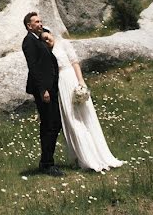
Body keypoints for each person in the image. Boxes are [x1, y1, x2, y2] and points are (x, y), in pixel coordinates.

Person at [40, 29, 124, 172]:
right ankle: (82, 156)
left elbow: (75, 63)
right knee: (72, 120)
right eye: (44, 41)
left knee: (84, 116)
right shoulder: (47, 52)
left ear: (51, 34)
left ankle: (96, 154)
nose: (47, 41)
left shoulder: (64, 44)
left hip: (71, 79)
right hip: (60, 85)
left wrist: (81, 81)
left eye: (47, 37)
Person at [21, 11, 64, 177]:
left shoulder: (37, 38)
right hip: (43, 90)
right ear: (28, 25)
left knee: (53, 124)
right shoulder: (29, 42)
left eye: (41, 21)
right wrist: (42, 90)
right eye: (36, 22)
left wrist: (42, 29)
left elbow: (47, 32)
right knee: (49, 124)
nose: (40, 24)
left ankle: (47, 161)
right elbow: (34, 67)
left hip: (50, 88)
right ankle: (46, 164)